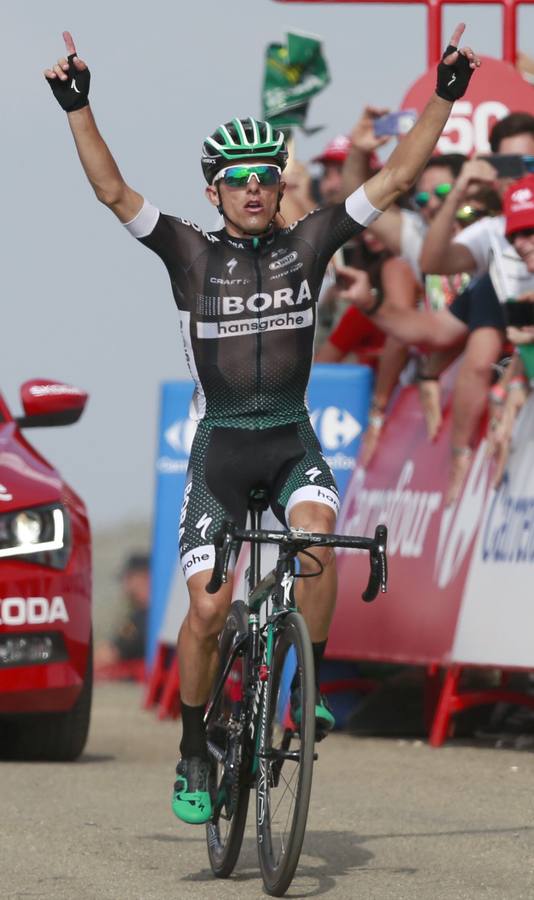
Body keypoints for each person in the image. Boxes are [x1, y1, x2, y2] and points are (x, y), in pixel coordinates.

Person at [44, 26, 480, 825]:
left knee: (319, 539)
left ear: (281, 188)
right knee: (209, 610)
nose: (252, 189)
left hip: (288, 435)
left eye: (266, 178)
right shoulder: (187, 252)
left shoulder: (309, 244)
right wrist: (78, 106)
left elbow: (397, 178)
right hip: (220, 448)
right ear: (213, 190)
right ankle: (190, 751)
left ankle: (304, 687)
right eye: (235, 179)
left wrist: (446, 94)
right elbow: (114, 193)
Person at [94, 552, 151, 669]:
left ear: (143, 577)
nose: (125, 587)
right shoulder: (168, 614)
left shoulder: (138, 619)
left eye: (128, 578)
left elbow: (108, 654)